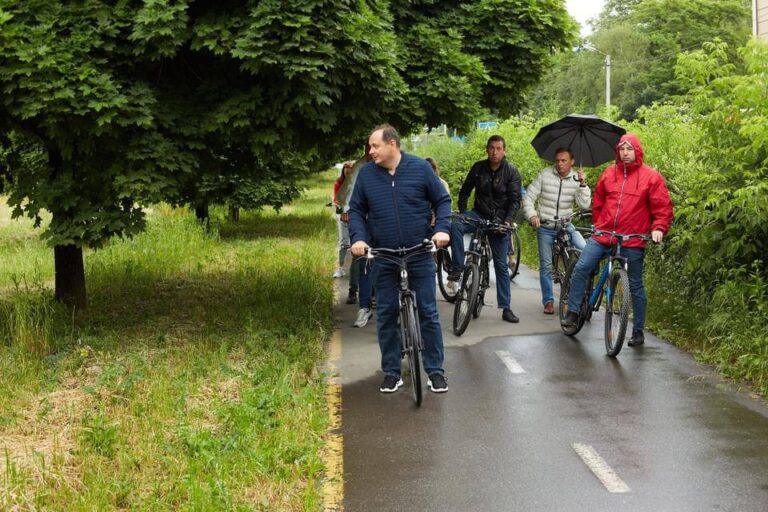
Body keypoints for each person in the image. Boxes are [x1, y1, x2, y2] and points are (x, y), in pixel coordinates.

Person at [349, 124, 452, 393]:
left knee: (428, 312)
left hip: (419, 251)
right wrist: (359, 238)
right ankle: (392, 371)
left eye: (374, 146)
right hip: (384, 254)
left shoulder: (420, 168)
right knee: (386, 314)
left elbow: (442, 201)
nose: (370, 151)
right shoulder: (366, 176)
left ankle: (435, 371)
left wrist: (441, 229)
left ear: (392, 144)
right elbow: (357, 211)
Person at [561, 134, 673, 346]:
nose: (625, 153)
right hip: (604, 235)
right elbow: (599, 203)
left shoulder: (651, 177)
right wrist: (599, 223)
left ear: (637, 151)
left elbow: (662, 208)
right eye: (622, 149)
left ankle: (638, 331)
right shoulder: (608, 174)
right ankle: (573, 311)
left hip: (632, 239)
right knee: (583, 266)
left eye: (629, 148)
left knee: (636, 285)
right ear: (618, 151)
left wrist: (658, 228)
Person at [449, 135, 522, 323]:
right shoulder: (478, 168)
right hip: (478, 215)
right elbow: (465, 191)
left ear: (504, 150)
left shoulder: (512, 171)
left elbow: (515, 201)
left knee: (501, 266)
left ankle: (506, 307)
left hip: (499, 221)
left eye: (498, 148)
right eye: (491, 148)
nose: (494, 152)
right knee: (455, 224)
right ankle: (457, 269)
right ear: (486, 149)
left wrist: (507, 222)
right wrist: (464, 212)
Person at [523, 147, 591, 314]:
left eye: (564, 160)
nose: (560, 164)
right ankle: (548, 301)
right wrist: (532, 216)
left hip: (566, 225)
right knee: (546, 265)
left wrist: (583, 184)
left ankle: (575, 294)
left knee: (585, 251)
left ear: (572, 162)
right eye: (558, 160)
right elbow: (529, 197)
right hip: (545, 226)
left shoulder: (577, 178)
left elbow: (584, 205)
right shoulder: (545, 175)